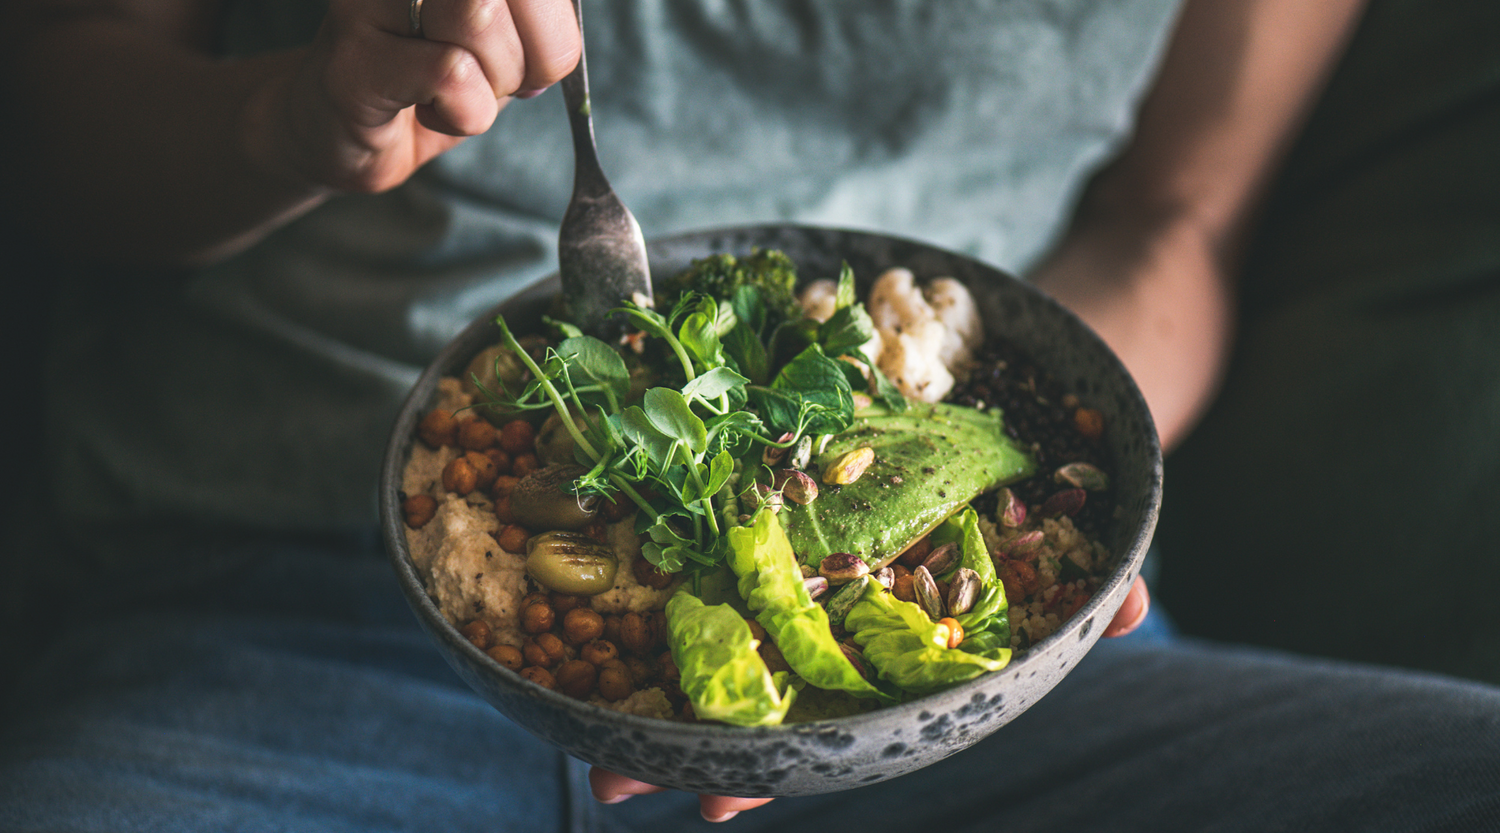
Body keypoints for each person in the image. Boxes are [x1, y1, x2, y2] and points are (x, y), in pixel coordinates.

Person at [2, 0, 1497, 829]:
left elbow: (1181, 217)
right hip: (288, 617)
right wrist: (296, 116)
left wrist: (1021, 533)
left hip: (967, 699)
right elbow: (54, 127)